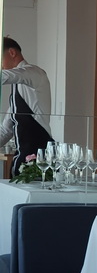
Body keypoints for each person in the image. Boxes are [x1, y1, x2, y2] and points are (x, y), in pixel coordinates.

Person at [0, 37, 53, 176]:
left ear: (12, 53)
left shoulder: (35, 73)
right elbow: (6, 130)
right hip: (21, 157)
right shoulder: (17, 87)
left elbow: (10, 76)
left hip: (40, 159)